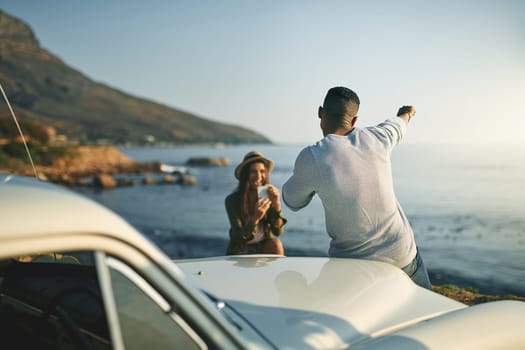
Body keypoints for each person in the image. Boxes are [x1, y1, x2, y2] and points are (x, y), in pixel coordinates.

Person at [281, 86, 432, 289]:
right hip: (403, 256)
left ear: (320, 112)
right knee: (427, 315)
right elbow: (400, 123)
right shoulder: (379, 137)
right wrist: (406, 112)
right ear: (354, 120)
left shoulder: (312, 156)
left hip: (355, 269)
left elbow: (292, 201)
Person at [225, 151, 287, 255]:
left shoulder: (268, 197)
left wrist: (277, 205)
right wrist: (255, 219)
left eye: (262, 171)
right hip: (240, 248)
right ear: (245, 175)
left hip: (262, 246)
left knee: (276, 243)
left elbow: (278, 232)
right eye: (253, 171)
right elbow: (238, 238)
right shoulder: (232, 200)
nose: (259, 176)